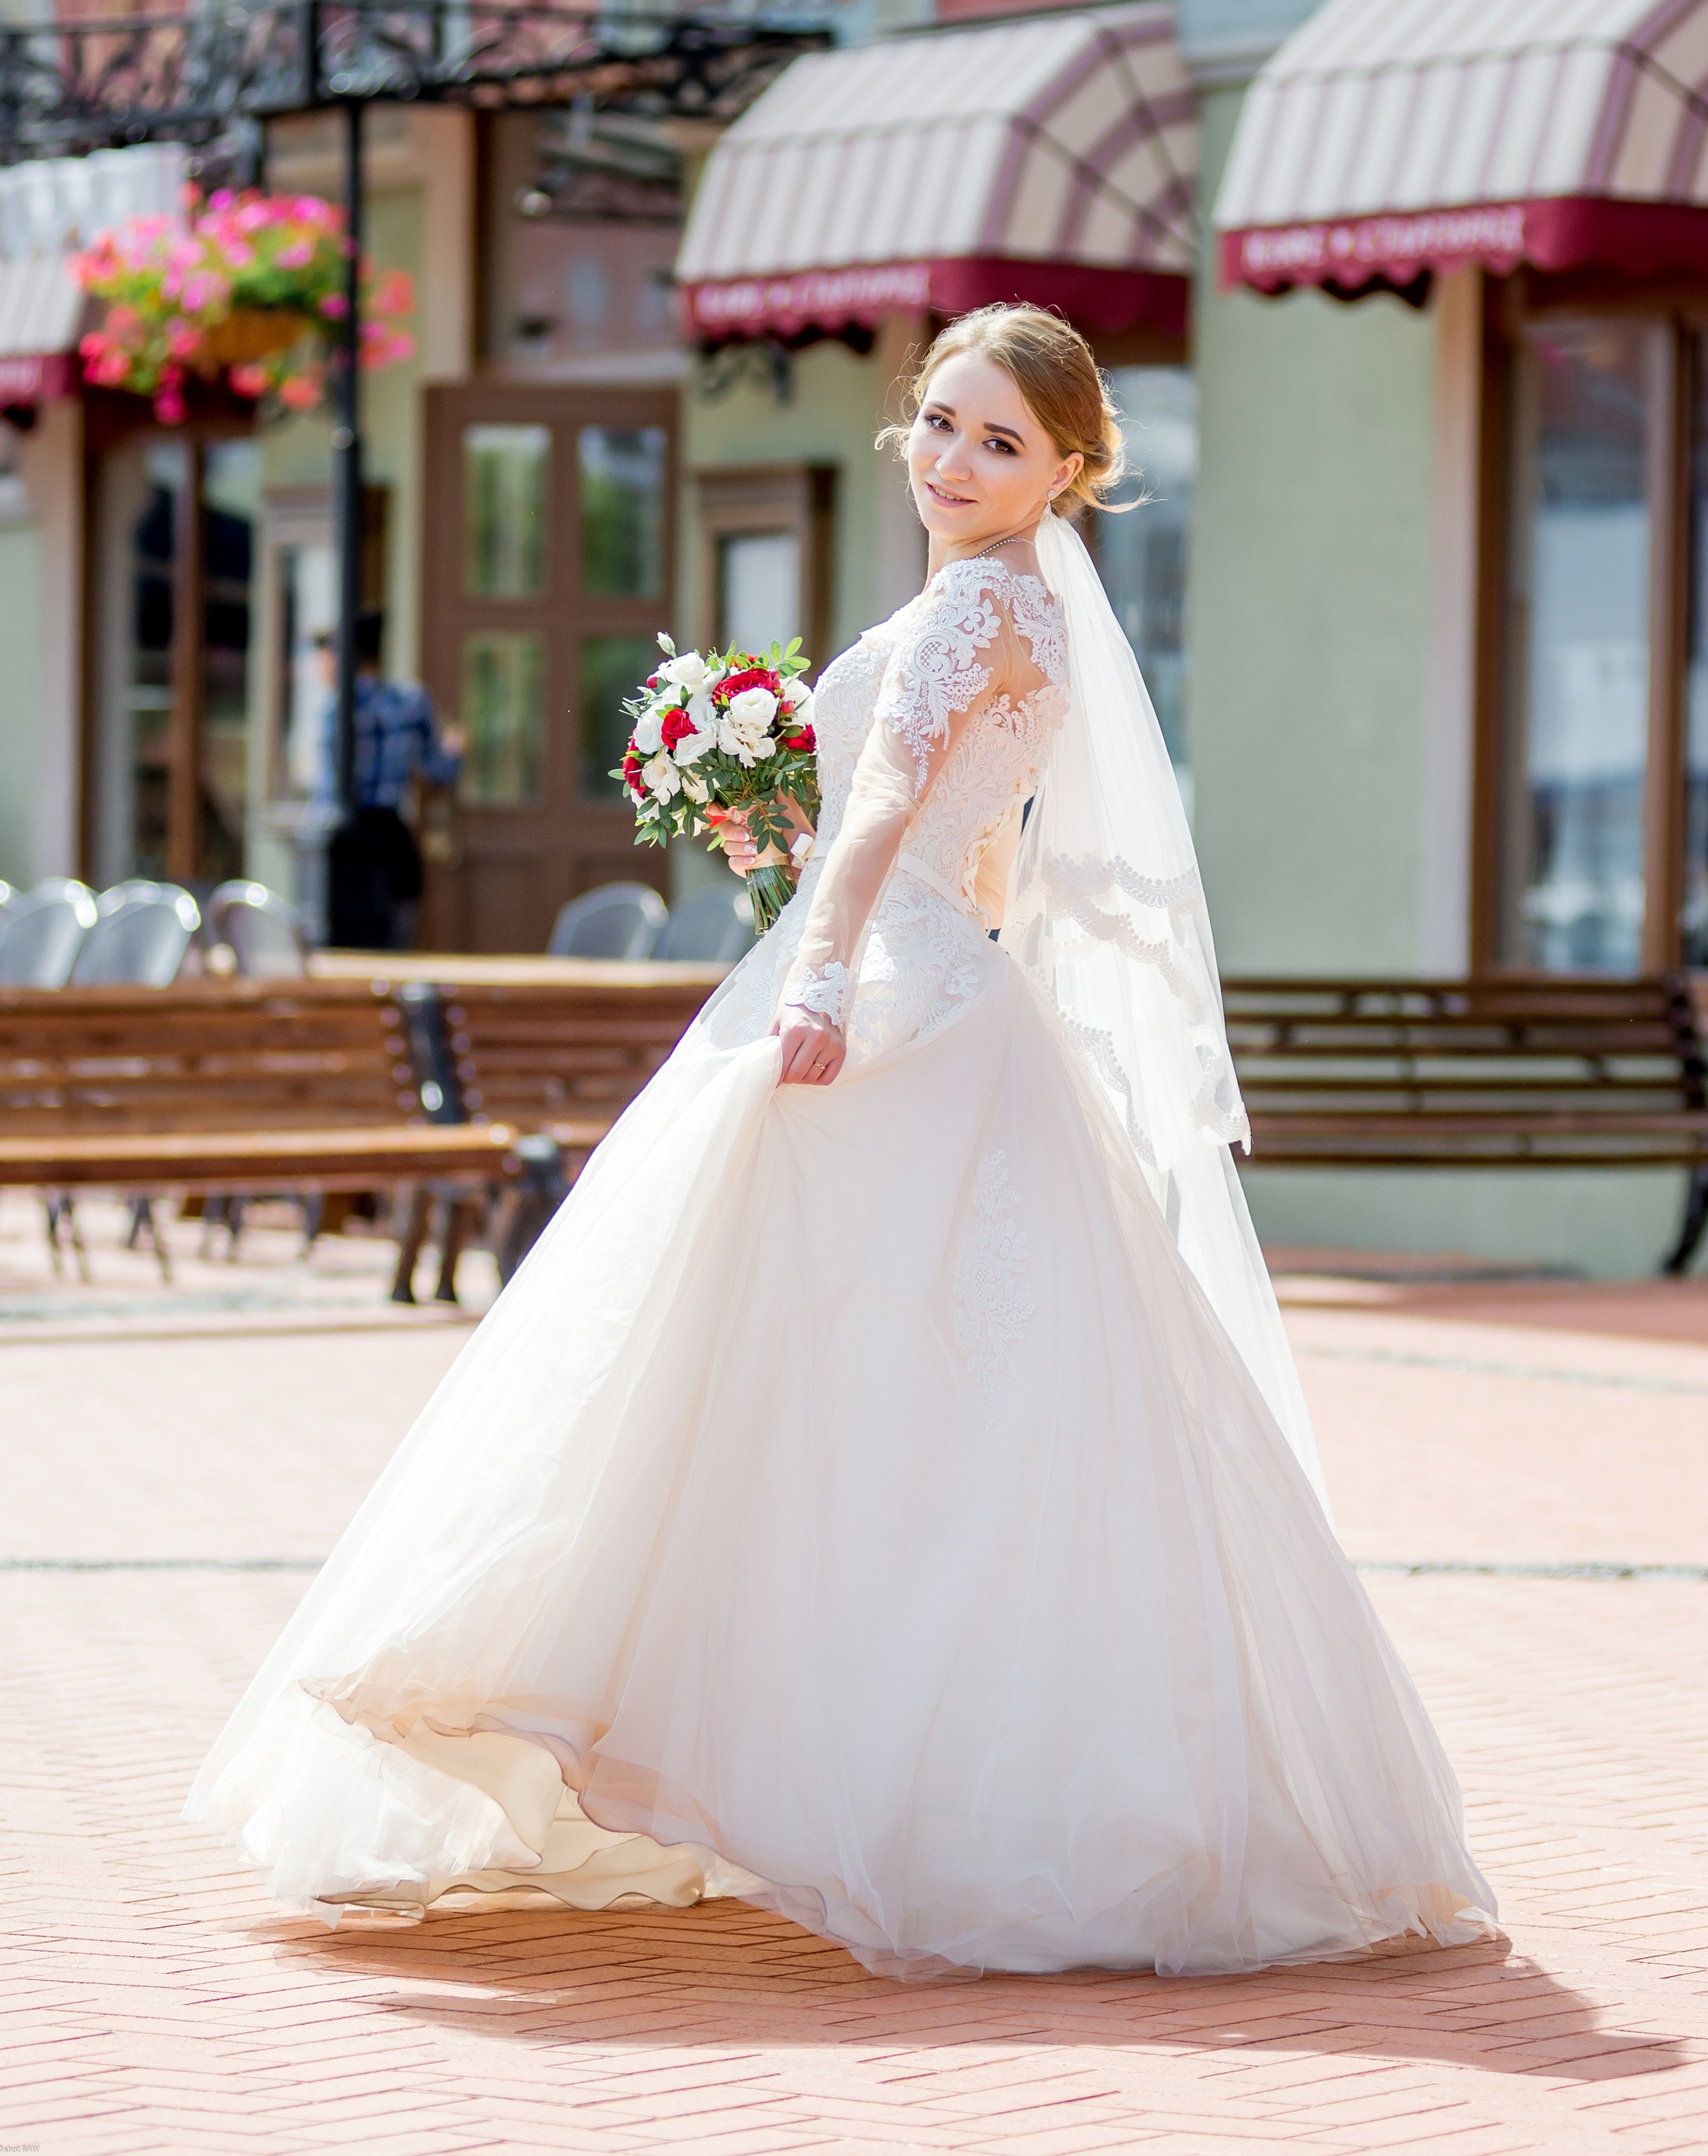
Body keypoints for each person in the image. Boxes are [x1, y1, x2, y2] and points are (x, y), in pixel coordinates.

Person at [187, 308, 1494, 1977]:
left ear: (1070, 470)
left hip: (879, 996)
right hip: (950, 984)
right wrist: (777, 836)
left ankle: (810, 1758)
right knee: (894, 1384)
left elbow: (888, 800)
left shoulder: (975, 602)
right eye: (939, 423)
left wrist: (817, 961)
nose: (953, 461)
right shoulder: (1040, 617)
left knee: (776, 1362)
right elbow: (971, 847)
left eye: (999, 441)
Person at [316, 608, 464, 950]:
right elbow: (439, 771)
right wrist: (456, 749)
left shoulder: (334, 710)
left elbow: (326, 788)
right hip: (390, 835)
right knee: (393, 942)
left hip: (344, 836)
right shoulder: (410, 703)